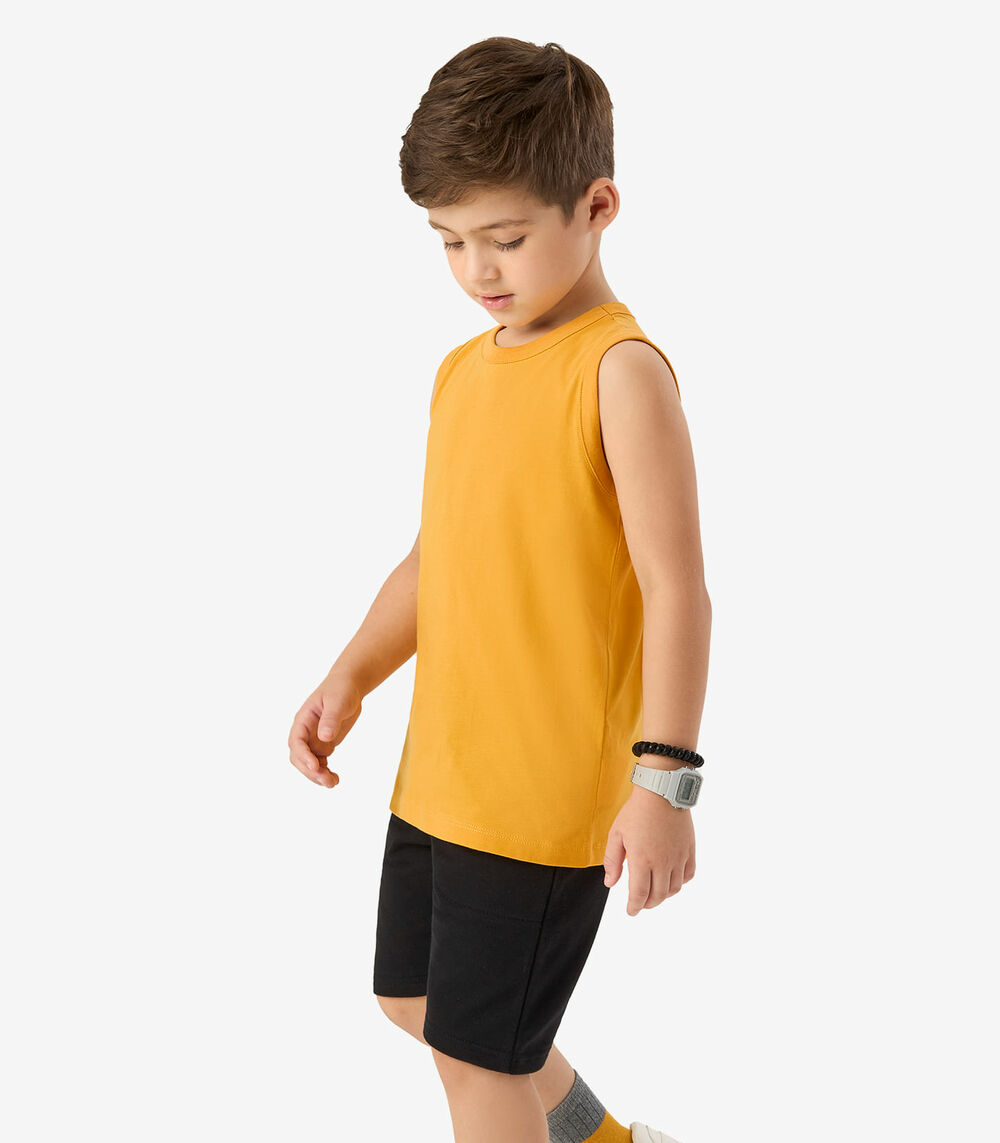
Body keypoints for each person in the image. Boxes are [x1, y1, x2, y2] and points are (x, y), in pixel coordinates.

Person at [288, 36, 712, 1143]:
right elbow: (442, 554)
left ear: (596, 206)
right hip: (444, 773)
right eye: (450, 241)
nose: (478, 269)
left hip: (540, 792)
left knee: (481, 1063)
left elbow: (678, 589)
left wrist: (664, 784)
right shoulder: (462, 374)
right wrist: (352, 672)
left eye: (507, 239)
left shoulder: (619, 372)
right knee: (416, 1002)